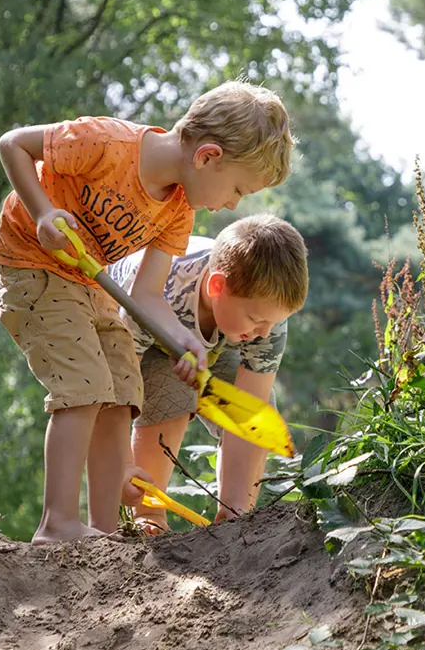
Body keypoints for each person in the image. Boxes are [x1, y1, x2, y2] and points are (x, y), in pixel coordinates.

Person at [0, 81, 294, 544]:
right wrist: (44, 212)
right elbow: (13, 144)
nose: (231, 204)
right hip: (30, 264)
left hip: (86, 282)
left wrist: (183, 341)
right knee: (85, 384)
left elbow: (146, 295)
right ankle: (58, 523)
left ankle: (104, 530)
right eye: (236, 189)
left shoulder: (176, 211)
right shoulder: (106, 143)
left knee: (122, 385)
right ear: (207, 157)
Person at [114, 214, 308, 533]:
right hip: (139, 336)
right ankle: (149, 513)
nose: (265, 332)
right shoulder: (165, 287)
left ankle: (234, 515)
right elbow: (119, 386)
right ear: (217, 286)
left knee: (256, 410)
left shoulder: (264, 321)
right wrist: (120, 465)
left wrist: (236, 508)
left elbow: (250, 412)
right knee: (172, 394)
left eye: (273, 322)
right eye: (257, 320)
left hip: (219, 341)